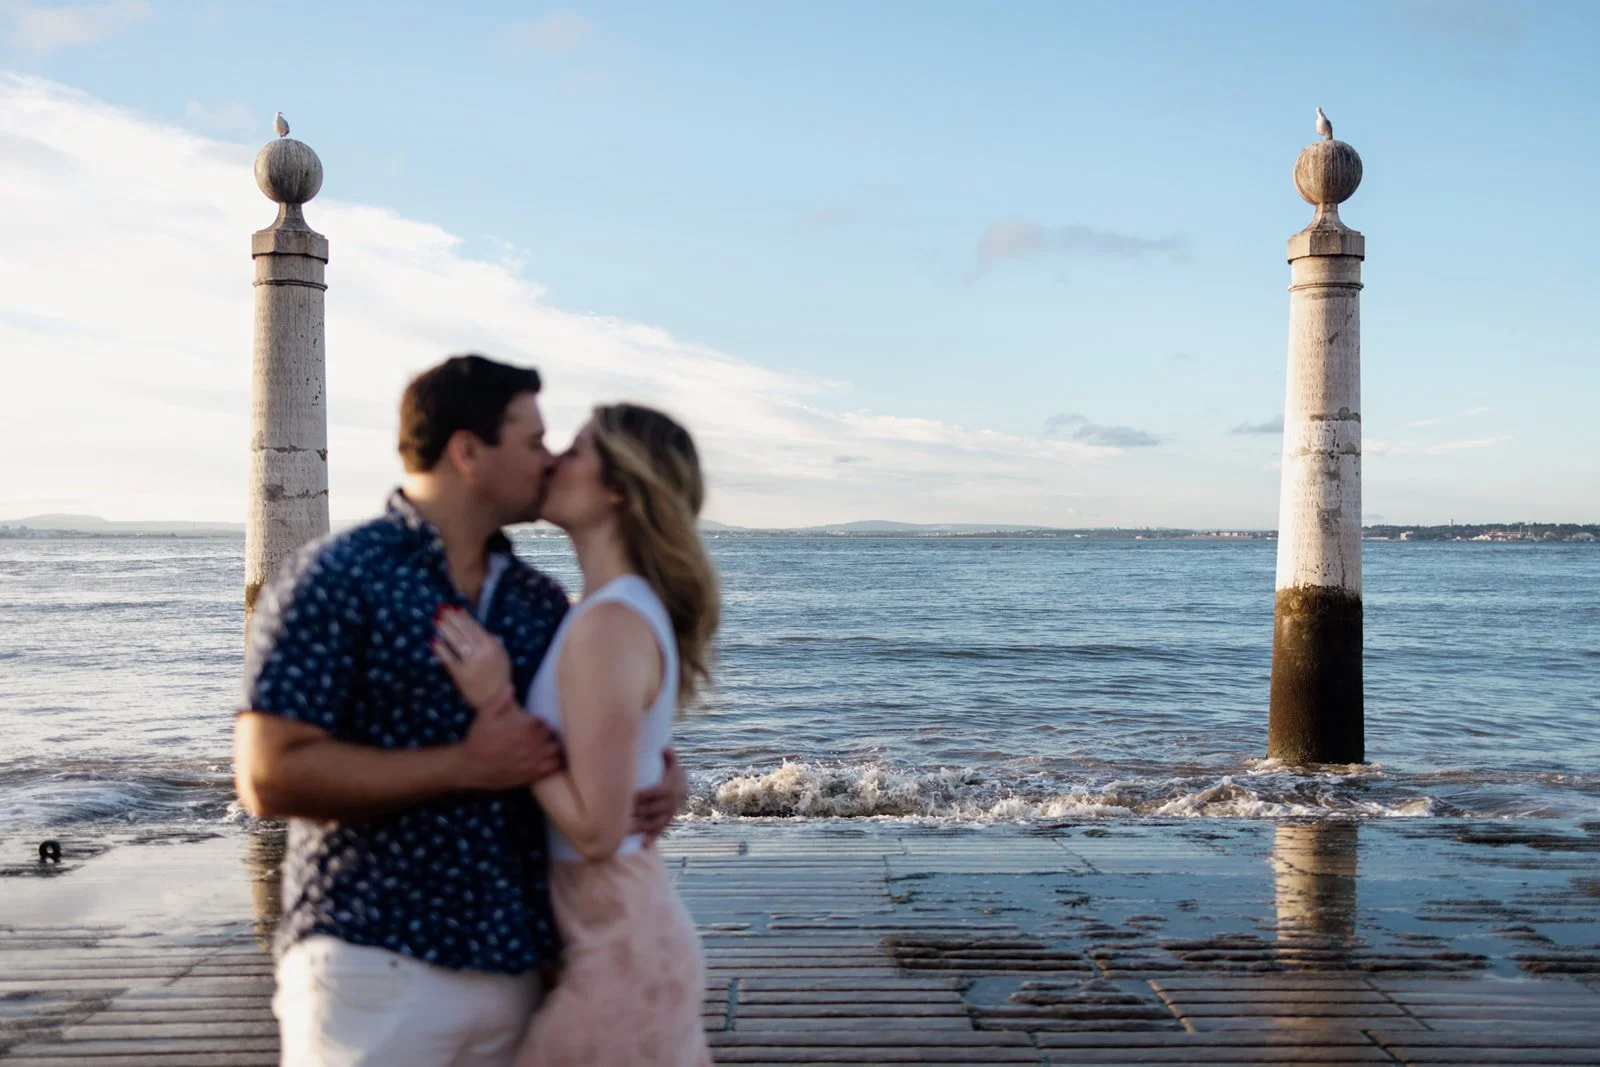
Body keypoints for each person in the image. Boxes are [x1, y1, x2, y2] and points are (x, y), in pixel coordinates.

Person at [233, 355, 686, 1067]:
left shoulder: (539, 603)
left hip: (519, 968)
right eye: (534, 441)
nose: (547, 459)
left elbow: (592, 719)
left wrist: (659, 770)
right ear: (469, 452)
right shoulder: (339, 575)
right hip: (375, 964)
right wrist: (464, 765)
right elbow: (268, 775)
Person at [433, 403, 717, 1067]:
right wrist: (665, 774)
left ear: (620, 486)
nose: (555, 457)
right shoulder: (595, 612)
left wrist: (498, 705)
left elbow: (594, 829)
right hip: (605, 931)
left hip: (616, 942)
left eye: (579, 449)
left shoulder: (608, 624)